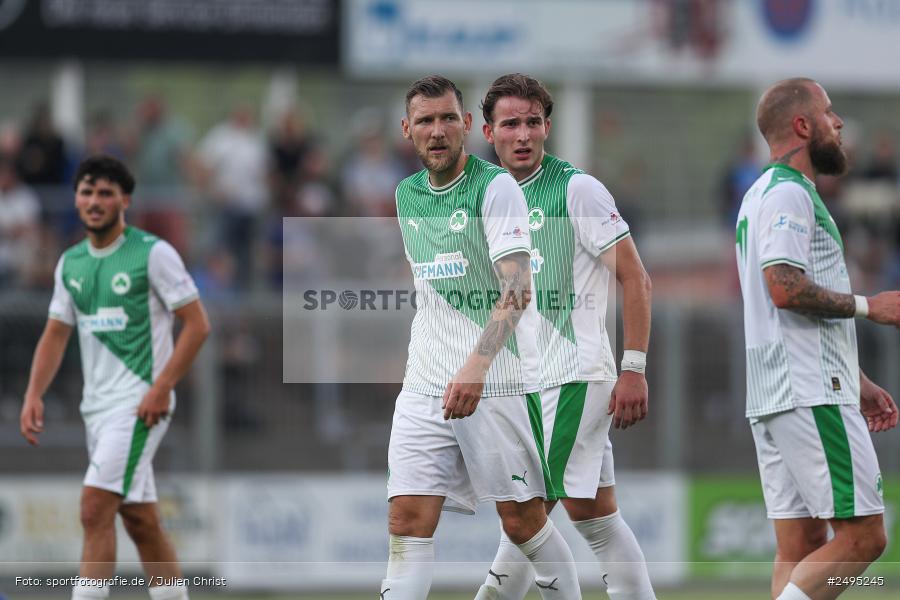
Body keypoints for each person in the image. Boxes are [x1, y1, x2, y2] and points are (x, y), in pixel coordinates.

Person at [383, 75, 582, 600]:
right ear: (408, 130)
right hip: (425, 382)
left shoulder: (496, 188)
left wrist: (477, 364)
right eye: (425, 120)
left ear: (468, 124)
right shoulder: (405, 195)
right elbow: (433, 290)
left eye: (449, 118)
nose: (438, 130)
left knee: (522, 523)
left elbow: (517, 288)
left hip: (496, 380)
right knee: (406, 521)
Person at [476, 73, 656, 600]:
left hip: (574, 378)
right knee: (594, 516)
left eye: (533, 123)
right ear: (489, 132)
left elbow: (636, 278)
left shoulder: (575, 188)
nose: (524, 134)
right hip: (535, 383)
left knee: (524, 518)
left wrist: (634, 367)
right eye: (511, 124)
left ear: (548, 128)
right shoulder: (493, 197)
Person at [735, 78, 900, 600]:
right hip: (808, 390)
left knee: (801, 543)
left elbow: (782, 308)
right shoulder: (788, 192)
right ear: (803, 126)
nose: (840, 123)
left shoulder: (757, 195)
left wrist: (857, 379)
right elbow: (782, 288)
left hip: (779, 390)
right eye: (829, 113)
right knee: (865, 539)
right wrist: (869, 306)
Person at [19, 155, 210, 600]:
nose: (94, 201)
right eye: (86, 192)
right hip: (98, 409)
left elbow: (198, 325)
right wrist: (33, 393)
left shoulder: (152, 253)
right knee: (140, 521)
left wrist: (161, 388)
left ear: (124, 200)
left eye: (105, 193)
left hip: (140, 403)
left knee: (93, 508)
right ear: (76, 199)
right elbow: (54, 333)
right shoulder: (70, 263)